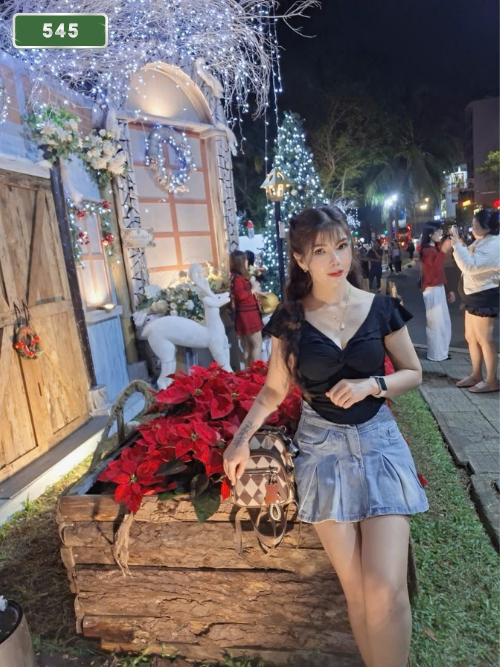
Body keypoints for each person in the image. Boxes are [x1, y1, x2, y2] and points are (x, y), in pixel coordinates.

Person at [223, 205, 427, 667]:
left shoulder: (380, 307)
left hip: (379, 443)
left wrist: (372, 384)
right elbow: (274, 389)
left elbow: (413, 373)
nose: (336, 259)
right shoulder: (290, 320)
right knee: (357, 592)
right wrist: (241, 438)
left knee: (386, 591)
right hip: (321, 450)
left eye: (342, 246)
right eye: (320, 251)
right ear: (300, 260)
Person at [451, 209, 500, 393]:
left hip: (484, 296)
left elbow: (470, 266)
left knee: (484, 339)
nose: (472, 229)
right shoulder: (483, 240)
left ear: (489, 228)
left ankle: (492, 380)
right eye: (472, 225)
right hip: (473, 295)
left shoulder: (494, 244)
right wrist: (463, 246)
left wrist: (457, 246)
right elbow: (472, 260)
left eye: (476, 226)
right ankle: (476, 374)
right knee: (471, 337)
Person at [420, 222, 455, 362]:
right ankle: (436, 354)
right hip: (432, 289)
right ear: (430, 234)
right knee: (436, 324)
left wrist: (448, 290)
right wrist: (443, 252)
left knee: (443, 323)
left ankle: (442, 353)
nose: (440, 234)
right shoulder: (427, 251)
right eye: (438, 232)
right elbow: (435, 269)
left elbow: (440, 272)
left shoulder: (433, 249)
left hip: (437, 288)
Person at [229, 250, 263, 367]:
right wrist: (254, 289)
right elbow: (241, 296)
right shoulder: (237, 279)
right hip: (248, 314)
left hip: (244, 314)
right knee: (257, 344)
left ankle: (248, 371)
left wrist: (256, 291)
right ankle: (255, 370)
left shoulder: (236, 277)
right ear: (240, 262)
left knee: (247, 347)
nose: (247, 261)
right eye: (245, 259)